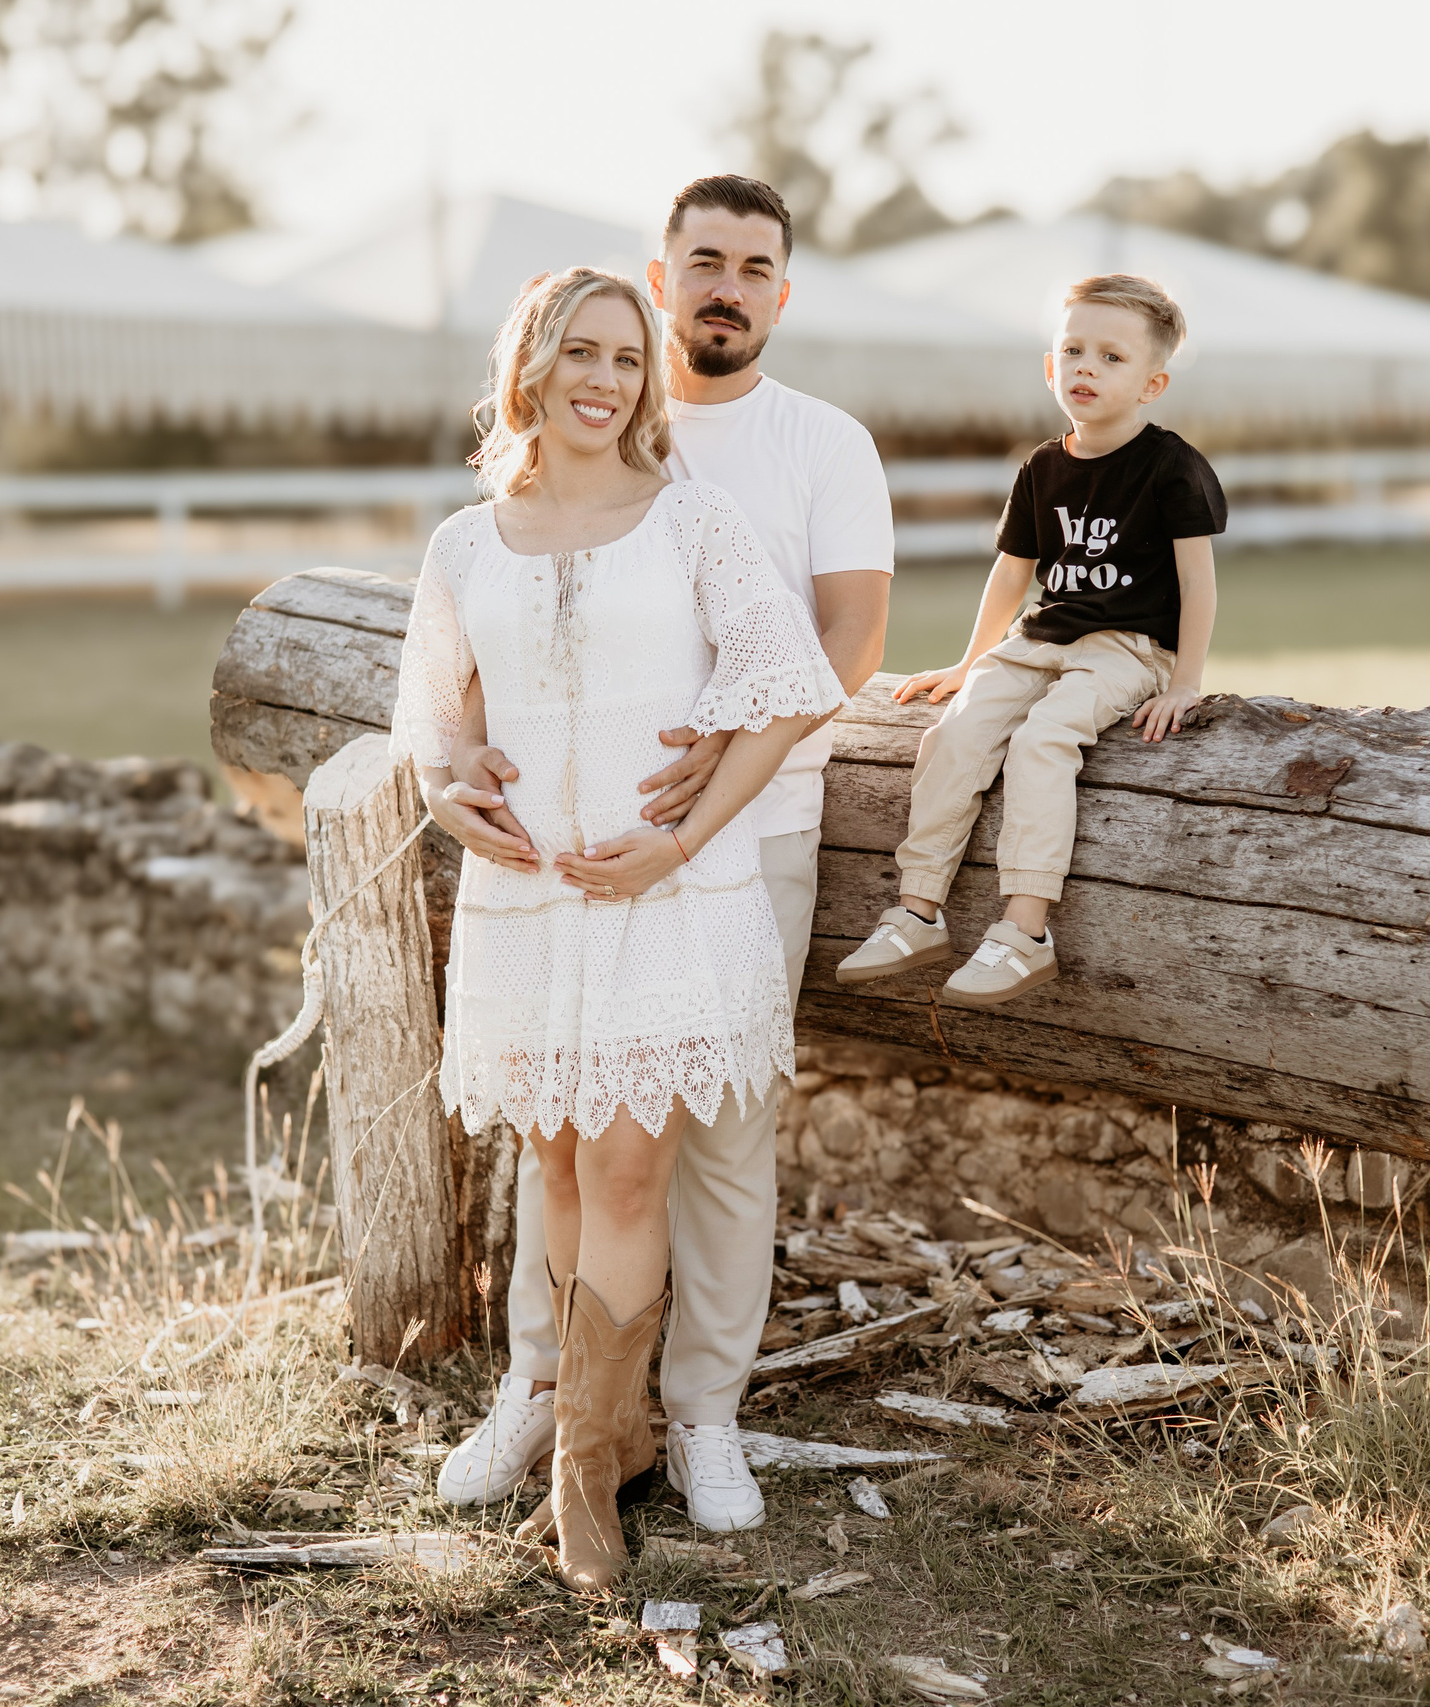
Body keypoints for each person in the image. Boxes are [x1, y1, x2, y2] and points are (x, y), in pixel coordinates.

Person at [426, 177, 894, 1533]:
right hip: (553, 875)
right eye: (705, 261)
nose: (726, 286)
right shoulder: (521, 497)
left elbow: (838, 647)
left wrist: (703, 786)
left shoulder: (815, 445)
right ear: (661, 274)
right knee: (565, 1149)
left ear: (781, 292)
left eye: (754, 266)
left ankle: (700, 1416)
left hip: (752, 832)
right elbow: (456, 684)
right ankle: (556, 1396)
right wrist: (453, 773)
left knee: (719, 1146)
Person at [836, 274, 1223, 1005]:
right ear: (1050, 366)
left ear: (1152, 383)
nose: (1086, 367)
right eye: (1073, 350)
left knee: (1042, 741)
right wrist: (970, 661)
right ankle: (918, 910)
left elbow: (1198, 584)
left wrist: (1184, 682)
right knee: (955, 733)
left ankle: (1024, 931)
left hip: (1128, 646)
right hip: (1039, 638)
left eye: (1112, 357)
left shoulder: (1172, 466)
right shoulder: (1042, 467)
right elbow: (1012, 573)